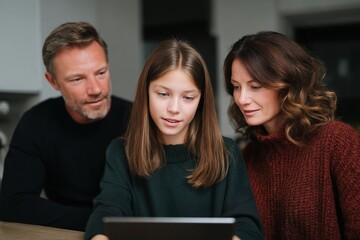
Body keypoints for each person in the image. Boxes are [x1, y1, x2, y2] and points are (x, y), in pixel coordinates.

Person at [84, 39, 264, 240]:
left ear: (201, 102)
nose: (174, 108)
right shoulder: (120, 152)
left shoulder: (227, 153)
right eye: (163, 94)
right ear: (146, 93)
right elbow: (108, 209)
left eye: (188, 97)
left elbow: (247, 226)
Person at [223, 30, 360, 239]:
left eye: (255, 86)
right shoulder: (249, 156)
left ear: (289, 84)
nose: (242, 99)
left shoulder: (337, 141)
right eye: (236, 87)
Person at [0, 22, 132, 231]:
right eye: (77, 79)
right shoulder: (36, 122)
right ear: (53, 82)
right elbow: (13, 204)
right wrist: (99, 222)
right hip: (67, 233)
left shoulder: (138, 119)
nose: (95, 89)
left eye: (101, 72)